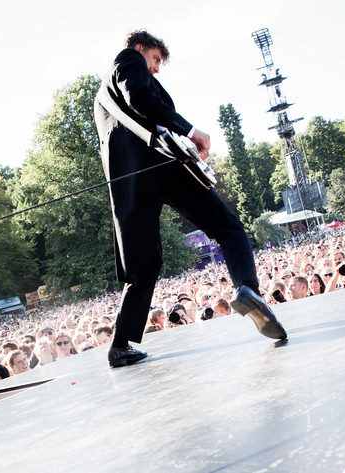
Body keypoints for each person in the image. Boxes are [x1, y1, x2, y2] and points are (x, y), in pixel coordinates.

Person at [94, 29, 286, 367]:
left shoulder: (104, 98)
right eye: (154, 60)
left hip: (132, 185)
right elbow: (141, 98)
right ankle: (247, 288)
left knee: (144, 265)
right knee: (226, 226)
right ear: (140, 49)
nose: (154, 69)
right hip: (162, 169)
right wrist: (191, 131)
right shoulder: (126, 62)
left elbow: (137, 118)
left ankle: (121, 344)